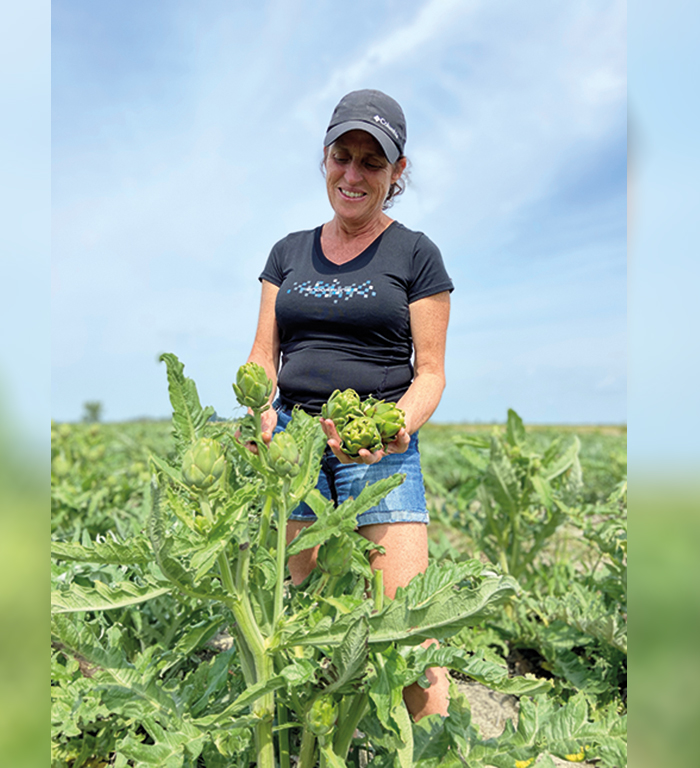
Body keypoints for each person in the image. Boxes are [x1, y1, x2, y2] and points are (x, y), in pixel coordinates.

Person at [242, 89, 453, 722]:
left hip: (376, 448)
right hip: (296, 453)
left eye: (372, 162)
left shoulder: (416, 255)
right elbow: (261, 356)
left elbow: (432, 374)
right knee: (306, 620)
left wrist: (396, 428)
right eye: (343, 156)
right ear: (326, 158)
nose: (353, 175)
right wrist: (260, 416)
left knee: (408, 633)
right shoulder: (287, 252)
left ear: (397, 174)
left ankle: (435, 752)